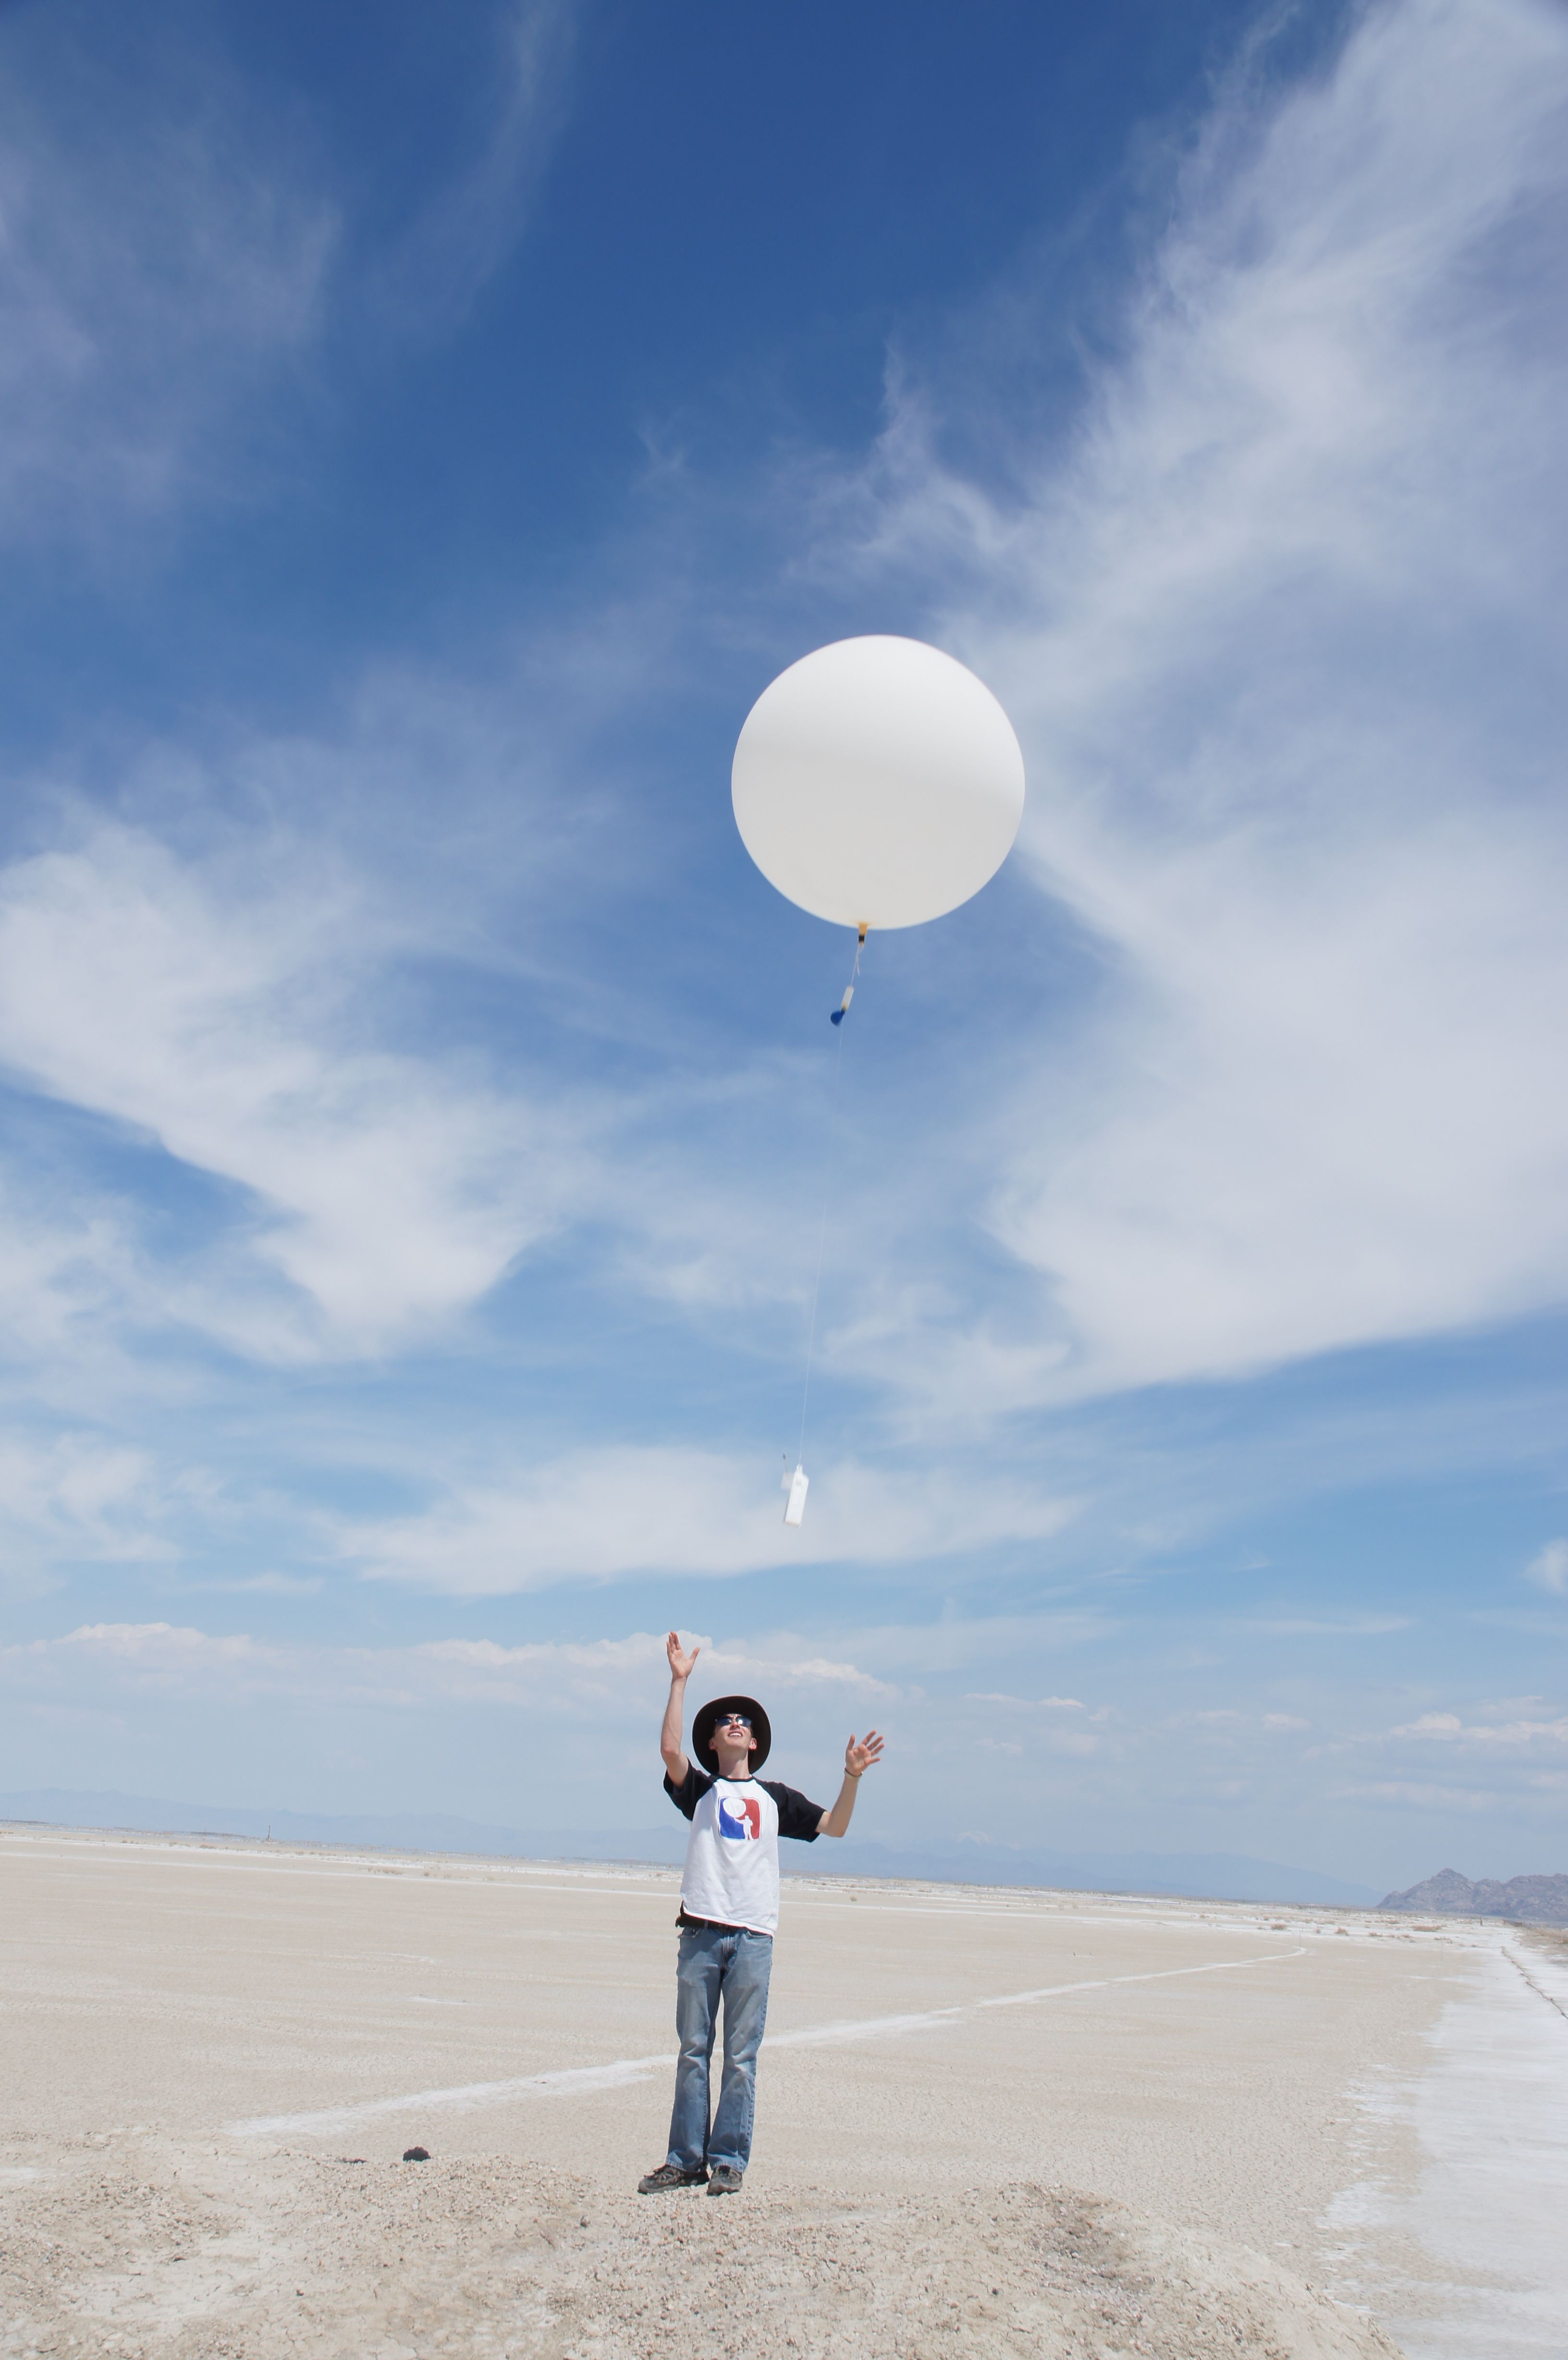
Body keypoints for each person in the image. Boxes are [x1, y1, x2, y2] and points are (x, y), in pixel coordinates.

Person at [637, 1630, 884, 2198]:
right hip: (701, 1931)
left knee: (741, 2057)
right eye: (725, 1719)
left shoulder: (774, 1799)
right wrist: (679, 1680)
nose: (735, 1723)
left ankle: (728, 2162)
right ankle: (684, 2160)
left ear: (753, 1741)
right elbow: (670, 1751)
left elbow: (834, 1826)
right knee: (693, 2051)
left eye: (743, 1721)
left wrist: (851, 1778)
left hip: (753, 1938)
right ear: (713, 1738)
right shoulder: (699, 1790)